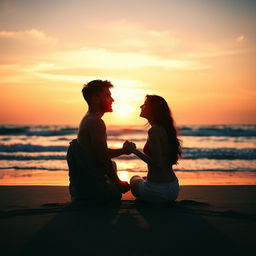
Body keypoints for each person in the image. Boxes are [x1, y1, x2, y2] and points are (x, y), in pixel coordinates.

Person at [67, 80, 131, 204]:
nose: (112, 100)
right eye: (107, 96)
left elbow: (98, 153)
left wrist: (123, 151)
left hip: (80, 189)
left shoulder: (88, 118)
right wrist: (118, 184)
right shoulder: (95, 122)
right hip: (92, 193)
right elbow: (103, 158)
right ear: (95, 98)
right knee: (126, 184)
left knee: (112, 165)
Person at [124, 95, 182, 203]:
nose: (141, 106)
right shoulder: (166, 129)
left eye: (145, 104)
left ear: (153, 109)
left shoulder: (154, 131)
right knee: (143, 178)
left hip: (156, 192)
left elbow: (157, 163)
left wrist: (134, 150)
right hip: (173, 189)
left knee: (134, 179)